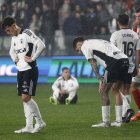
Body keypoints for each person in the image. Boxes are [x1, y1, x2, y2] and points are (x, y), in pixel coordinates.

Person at [1, 16, 46, 133]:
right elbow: (11, 51)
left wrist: (33, 58)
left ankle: (40, 123)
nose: (7, 33)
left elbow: (41, 45)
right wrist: (14, 59)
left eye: (8, 30)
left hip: (30, 69)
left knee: (25, 97)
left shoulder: (27, 33)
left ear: (13, 26)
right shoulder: (13, 38)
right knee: (25, 99)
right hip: (20, 70)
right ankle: (29, 126)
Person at [73, 37, 129, 127]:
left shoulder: (85, 46)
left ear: (79, 44)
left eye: (78, 50)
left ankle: (105, 122)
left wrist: (100, 79)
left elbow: (93, 63)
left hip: (114, 62)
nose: (80, 52)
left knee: (103, 91)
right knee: (116, 89)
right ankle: (119, 121)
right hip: (125, 60)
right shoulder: (96, 41)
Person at [110, 14, 139, 122]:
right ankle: (125, 115)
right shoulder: (135, 35)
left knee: (115, 88)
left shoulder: (115, 35)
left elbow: (112, 52)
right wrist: (136, 66)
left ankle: (127, 109)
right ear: (128, 21)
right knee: (126, 89)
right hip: (131, 64)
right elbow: (138, 53)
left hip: (119, 64)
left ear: (118, 22)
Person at [130, 8, 140, 121]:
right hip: (138, 63)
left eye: (139, 17)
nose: (137, 19)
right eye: (136, 17)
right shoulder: (137, 29)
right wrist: (134, 27)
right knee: (134, 86)